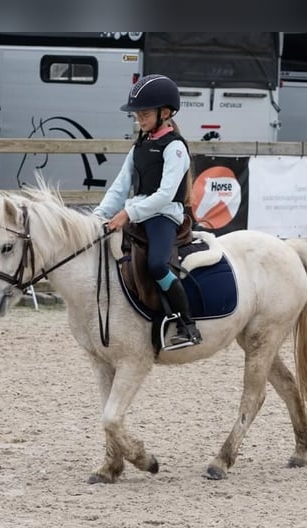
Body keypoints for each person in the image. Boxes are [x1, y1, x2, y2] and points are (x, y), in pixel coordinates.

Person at [93, 74, 202, 348]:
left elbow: (165, 195)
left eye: (144, 114)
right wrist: (99, 215)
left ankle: (187, 323)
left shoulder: (175, 148)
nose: (139, 119)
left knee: (156, 264)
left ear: (164, 113)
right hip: (138, 211)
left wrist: (128, 214)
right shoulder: (139, 145)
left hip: (164, 215)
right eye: (137, 114)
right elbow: (120, 186)